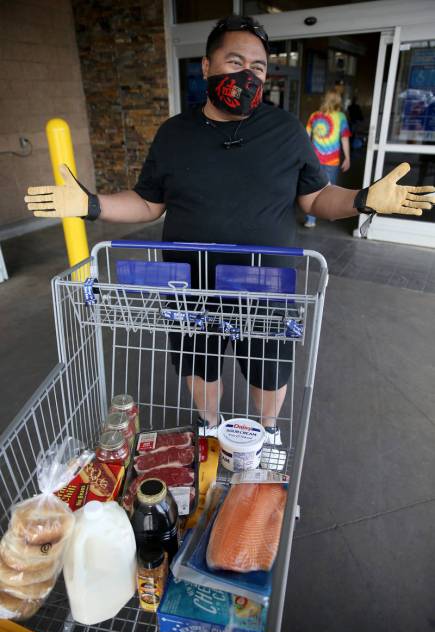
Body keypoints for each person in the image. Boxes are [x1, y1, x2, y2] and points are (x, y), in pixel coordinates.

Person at [24, 15, 435, 439]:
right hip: (189, 282)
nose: (247, 74)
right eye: (234, 61)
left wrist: (361, 199)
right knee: (197, 363)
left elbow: (314, 198)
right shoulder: (173, 134)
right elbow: (148, 203)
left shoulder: (285, 131)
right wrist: (92, 204)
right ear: (206, 66)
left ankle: (268, 432)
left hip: (264, 282)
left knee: (269, 366)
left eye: (257, 67)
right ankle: (209, 427)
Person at [304, 89, 352, 228]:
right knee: (331, 188)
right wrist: (347, 157)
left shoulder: (314, 116)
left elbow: (306, 137)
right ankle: (332, 214)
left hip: (314, 159)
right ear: (338, 101)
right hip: (332, 161)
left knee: (313, 188)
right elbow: (344, 139)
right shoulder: (340, 117)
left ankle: (311, 220)